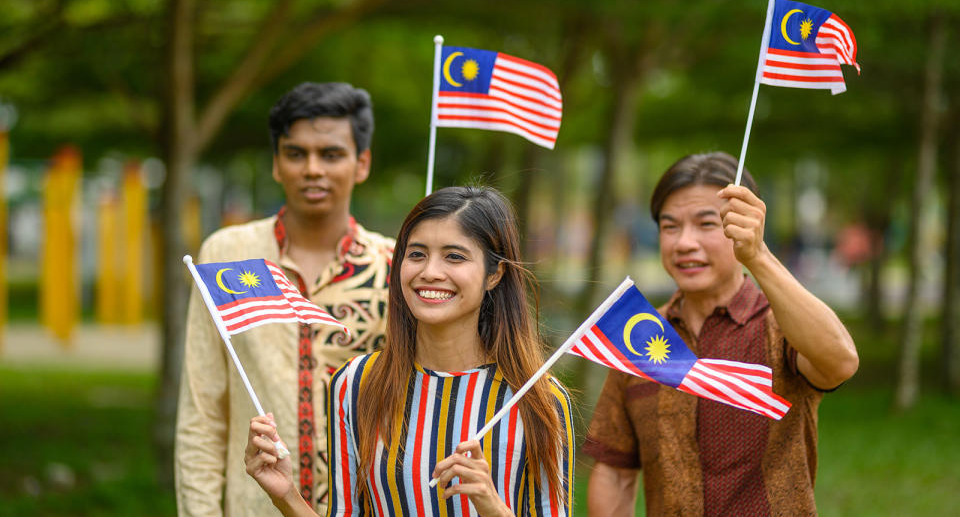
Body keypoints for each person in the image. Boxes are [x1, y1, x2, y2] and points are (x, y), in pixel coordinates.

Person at [244, 186, 575, 516]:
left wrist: (492, 507)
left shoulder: (538, 398)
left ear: (494, 274)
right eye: (416, 254)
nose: (429, 272)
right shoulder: (354, 385)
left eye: (454, 256)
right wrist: (286, 495)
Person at [583, 152, 859, 516]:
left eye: (706, 224)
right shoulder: (640, 334)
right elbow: (615, 474)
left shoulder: (779, 325)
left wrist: (758, 255)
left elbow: (839, 362)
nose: (684, 243)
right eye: (670, 226)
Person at [175, 82, 395, 517]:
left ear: (362, 163)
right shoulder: (229, 256)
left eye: (331, 154)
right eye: (296, 154)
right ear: (277, 164)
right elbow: (202, 412)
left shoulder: (396, 265)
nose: (313, 169)